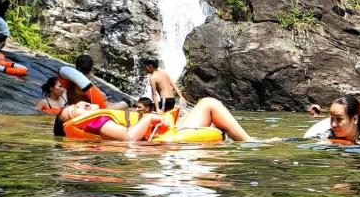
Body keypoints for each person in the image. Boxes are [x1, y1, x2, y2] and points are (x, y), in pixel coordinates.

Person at [55, 97, 253, 142]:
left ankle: (249, 141)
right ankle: (250, 143)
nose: (81, 105)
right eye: (74, 111)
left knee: (207, 104)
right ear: (72, 124)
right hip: (164, 145)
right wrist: (149, 117)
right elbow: (129, 137)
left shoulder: (101, 118)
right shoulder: (96, 122)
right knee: (209, 104)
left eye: (78, 103)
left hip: (163, 137)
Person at [60, 53, 129, 110]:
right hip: (88, 110)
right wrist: (92, 82)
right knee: (125, 103)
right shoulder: (83, 84)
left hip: (76, 105)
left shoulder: (71, 77)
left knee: (112, 103)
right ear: (90, 69)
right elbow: (103, 97)